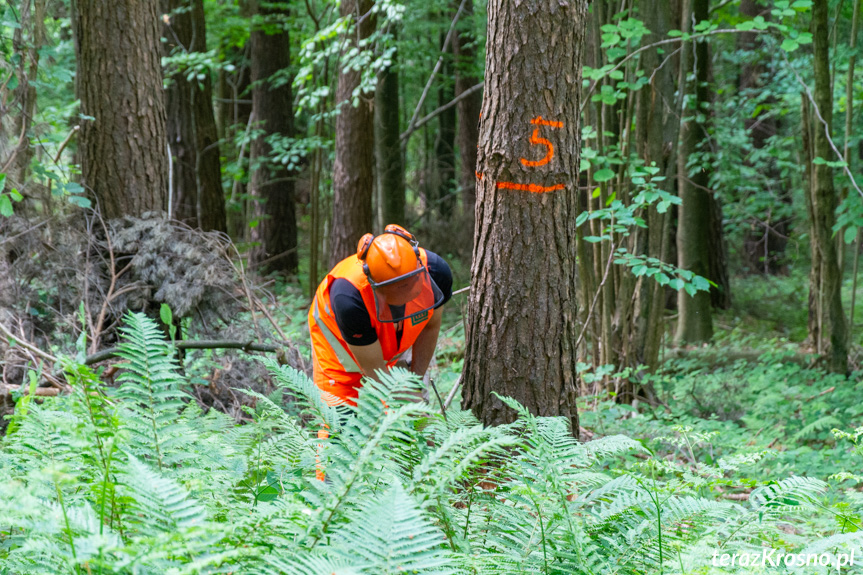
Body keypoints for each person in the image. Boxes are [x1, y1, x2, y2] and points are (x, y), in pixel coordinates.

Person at [308, 224, 453, 407]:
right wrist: (409, 404)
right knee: (337, 424)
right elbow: (377, 374)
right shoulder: (349, 299)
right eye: (397, 292)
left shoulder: (437, 273)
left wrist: (414, 383)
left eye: (409, 286)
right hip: (339, 350)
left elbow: (430, 327)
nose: (405, 295)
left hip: (397, 340)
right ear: (374, 284)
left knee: (410, 419)